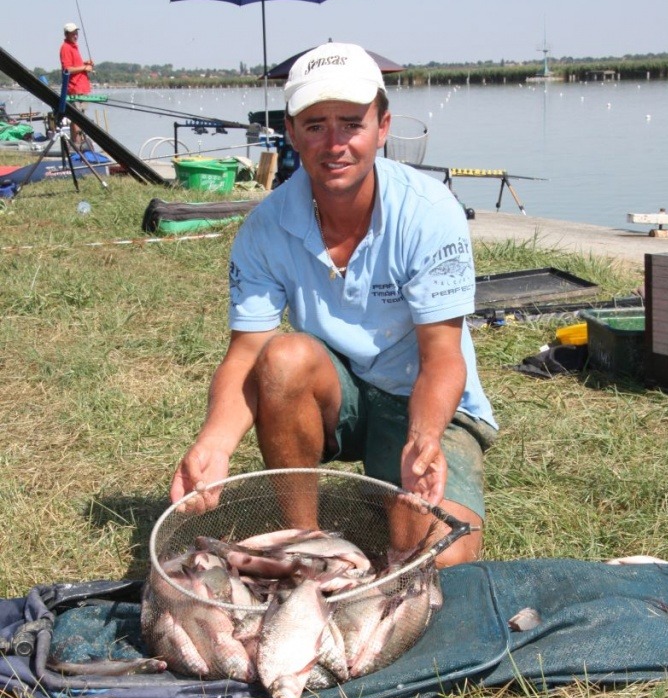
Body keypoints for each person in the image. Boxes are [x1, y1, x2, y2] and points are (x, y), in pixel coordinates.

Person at [170, 43, 497, 566]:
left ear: (383, 127)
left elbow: (443, 358)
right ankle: (306, 540)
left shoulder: (430, 213)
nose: (335, 143)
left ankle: (403, 472)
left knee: (440, 560)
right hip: (336, 392)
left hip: (424, 400)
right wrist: (215, 443)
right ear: (293, 133)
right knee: (282, 358)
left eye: (351, 123)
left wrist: (424, 440)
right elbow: (245, 353)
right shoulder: (266, 226)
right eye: (315, 125)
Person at [59, 22, 93, 147]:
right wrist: (85, 67)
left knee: (82, 117)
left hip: (82, 87)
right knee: (76, 118)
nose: (75, 35)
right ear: (67, 34)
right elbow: (67, 69)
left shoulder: (74, 46)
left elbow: (75, 64)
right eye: (73, 33)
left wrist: (85, 63)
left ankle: (81, 144)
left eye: (76, 33)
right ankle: (77, 144)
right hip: (74, 88)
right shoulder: (66, 47)